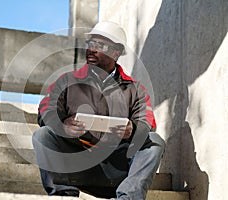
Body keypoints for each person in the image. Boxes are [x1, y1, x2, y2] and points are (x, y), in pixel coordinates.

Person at [32, 21, 165, 200]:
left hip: (116, 171)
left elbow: (147, 121)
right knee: (43, 135)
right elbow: (46, 109)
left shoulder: (135, 89)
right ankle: (62, 195)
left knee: (154, 141)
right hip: (78, 165)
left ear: (116, 53)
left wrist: (132, 129)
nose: (92, 49)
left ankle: (129, 197)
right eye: (90, 44)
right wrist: (63, 125)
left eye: (99, 45)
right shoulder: (66, 81)